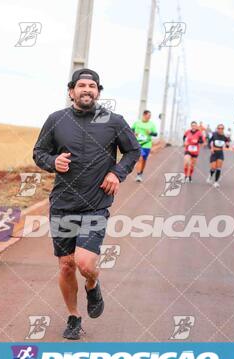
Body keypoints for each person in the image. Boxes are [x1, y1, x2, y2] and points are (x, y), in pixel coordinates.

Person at [33, 68, 140, 340]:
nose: (87, 89)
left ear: (98, 92)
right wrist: (51, 162)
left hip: (96, 203)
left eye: (92, 86)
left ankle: (93, 284)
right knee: (66, 265)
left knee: (84, 263)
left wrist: (117, 173)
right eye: (81, 85)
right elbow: (39, 152)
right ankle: (73, 317)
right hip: (63, 204)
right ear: (71, 91)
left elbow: (133, 151)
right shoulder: (56, 120)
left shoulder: (113, 121)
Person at [131, 110, 158, 182]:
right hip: (138, 143)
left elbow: (155, 134)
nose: (149, 117)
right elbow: (131, 130)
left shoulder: (151, 124)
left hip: (147, 144)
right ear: (144, 115)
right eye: (149, 116)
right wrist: (134, 133)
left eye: (150, 116)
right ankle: (138, 174)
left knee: (144, 160)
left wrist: (151, 132)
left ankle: (141, 172)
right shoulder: (137, 123)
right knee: (140, 158)